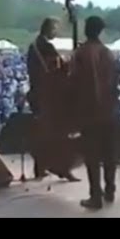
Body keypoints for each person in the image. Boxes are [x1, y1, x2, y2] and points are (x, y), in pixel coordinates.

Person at [70, 16, 119, 210]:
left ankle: (95, 196)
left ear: (86, 29)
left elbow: (73, 82)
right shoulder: (108, 53)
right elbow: (115, 82)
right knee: (109, 153)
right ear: (100, 31)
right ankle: (110, 190)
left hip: (88, 111)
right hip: (109, 110)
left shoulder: (80, 53)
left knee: (92, 155)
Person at [26, 17, 80, 182]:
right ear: (48, 29)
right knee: (58, 135)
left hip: (38, 94)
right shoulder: (46, 47)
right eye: (55, 29)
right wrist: (72, 61)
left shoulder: (34, 45)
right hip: (49, 97)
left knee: (43, 134)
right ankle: (62, 168)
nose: (56, 32)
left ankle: (40, 168)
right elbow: (60, 70)